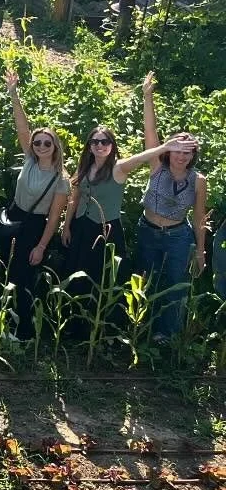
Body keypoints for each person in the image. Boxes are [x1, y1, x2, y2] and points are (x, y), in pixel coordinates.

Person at [117, 112, 208, 343]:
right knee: (145, 280)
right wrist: (147, 95)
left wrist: (200, 251)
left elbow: (199, 217)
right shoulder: (157, 166)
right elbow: (150, 134)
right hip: (148, 231)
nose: (181, 156)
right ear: (168, 150)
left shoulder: (198, 180)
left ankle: (166, 336)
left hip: (178, 236)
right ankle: (141, 328)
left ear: (193, 155)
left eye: (187, 152)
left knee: (176, 285)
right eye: (177, 150)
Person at [1, 71, 70, 341]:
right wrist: (13, 94)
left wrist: (41, 246)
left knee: (26, 276)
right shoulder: (30, 160)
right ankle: (10, 322)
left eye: (47, 143)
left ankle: (25, 330)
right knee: (9, 271)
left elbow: (54, 217)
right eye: (37, 142)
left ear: (55, 147)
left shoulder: (61, 179)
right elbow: (22, 127)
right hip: (14, 218)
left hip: (35, 227)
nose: (41, 145)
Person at [60, 124, 125, 322]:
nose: (100, 145)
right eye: (95, 141)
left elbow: (143, 158)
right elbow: (74, 199)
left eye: (105, 141)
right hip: (81, 228)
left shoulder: (119, 169)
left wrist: (165, 148)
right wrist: (66, 226)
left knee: (102, 277)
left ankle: (101, 324)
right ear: (89, 146)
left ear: (112, 145)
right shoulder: (85, 167)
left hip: (107, 231)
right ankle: (75, 322)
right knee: (77, 273)